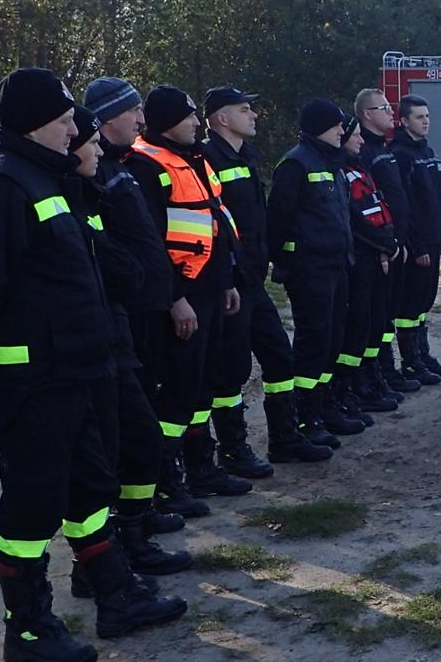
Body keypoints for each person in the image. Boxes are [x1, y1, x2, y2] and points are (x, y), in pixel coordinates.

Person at [0, 68, 184, 662]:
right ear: (35, 123)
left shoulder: (45, 179)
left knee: (89, 489)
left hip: (75, 369)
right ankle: (29, 628)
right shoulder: (0, 184)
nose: (75, 129)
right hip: (31, 379)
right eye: (66, 119)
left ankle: (115, 595)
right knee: (32, 505)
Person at [61, 105, 191, 599]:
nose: (91, 144)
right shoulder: (54, 192)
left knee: (138, 441)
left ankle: (131, 540)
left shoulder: (103, 179)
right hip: (97, 344)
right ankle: (96, 570)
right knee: (107, 457)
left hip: (115, 336)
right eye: (85, 139)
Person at [124, 87, 250, 501]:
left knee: (204, 384)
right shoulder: (146, 165)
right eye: (189, 117)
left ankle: (202, 469)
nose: (197, 123)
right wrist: (176, 298)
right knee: (177, 390)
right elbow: (151, 244)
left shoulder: (193, 159)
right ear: (166, 123)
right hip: (182, 297)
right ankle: (166, 481)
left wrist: (227, 279)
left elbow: (214, 221)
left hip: (212, 289)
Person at [81, 77, 189, 535]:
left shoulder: (118, 165)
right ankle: (128, 527)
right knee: (131, 425)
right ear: (107, 117)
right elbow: (101, 244)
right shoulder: (91, 172)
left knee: (143, 416)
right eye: (133, 112)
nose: (141, 120)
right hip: (129, 309)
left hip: (145, 305)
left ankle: (139, 516)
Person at [198, 86, 292, 477]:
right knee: (230, 371)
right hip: (229, 284)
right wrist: (227, 277)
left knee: (280, 357)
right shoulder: (207, 158)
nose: (253, 115)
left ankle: (285, 438)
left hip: (254, 279)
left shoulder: (245, 155)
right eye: (244, 109)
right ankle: (233, 450)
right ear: (222, 118)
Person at [261, 98, 351, 462]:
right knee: (312, 342)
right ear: (319, 127)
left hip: (334, 265)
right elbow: (278, 219)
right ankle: (303, 418)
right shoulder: (296, 164)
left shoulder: (330, 162)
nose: (342, 131)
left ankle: (319, 412)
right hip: (310, 268)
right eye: (336, 126)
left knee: (329, 340)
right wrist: (284, 261)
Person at [352, 88, 422, 395]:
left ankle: (388, 371)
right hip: (378, 249)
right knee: (376, 315)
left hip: (395, 243)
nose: (391, 113)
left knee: (387, 311)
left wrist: (401, 239)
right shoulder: (363, 152)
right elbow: (365, 207)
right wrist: (383, 244)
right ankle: (376, 376)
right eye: (384, 108)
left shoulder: (385, 148)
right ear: (367, 114)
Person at [389, 94, 441, 380]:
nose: (426, 121)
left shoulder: (425, 152)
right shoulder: (401, 154)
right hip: (417, 244)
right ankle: (410, 361)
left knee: (425, 301)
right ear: (403, 121)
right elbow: (407, 206)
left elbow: (434, 200)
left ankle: (423, 354)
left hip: (431, 238)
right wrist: (416, 245)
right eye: (419, 116)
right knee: (411, 302)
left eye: (427, 116)